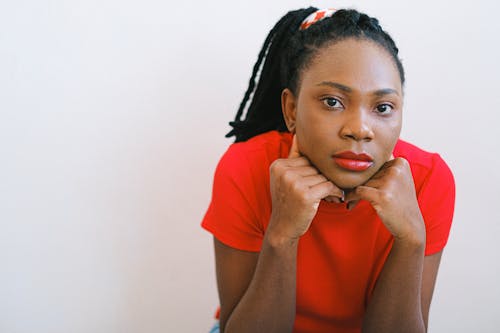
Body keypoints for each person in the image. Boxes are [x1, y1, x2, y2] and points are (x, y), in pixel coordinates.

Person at [201, 7, 455, 333]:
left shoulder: (427, 179)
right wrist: (282, 235)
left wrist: (410, 241)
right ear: (291, 109)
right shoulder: (245, 167)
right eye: (333, 101)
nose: (360, 129)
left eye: (382, 108)